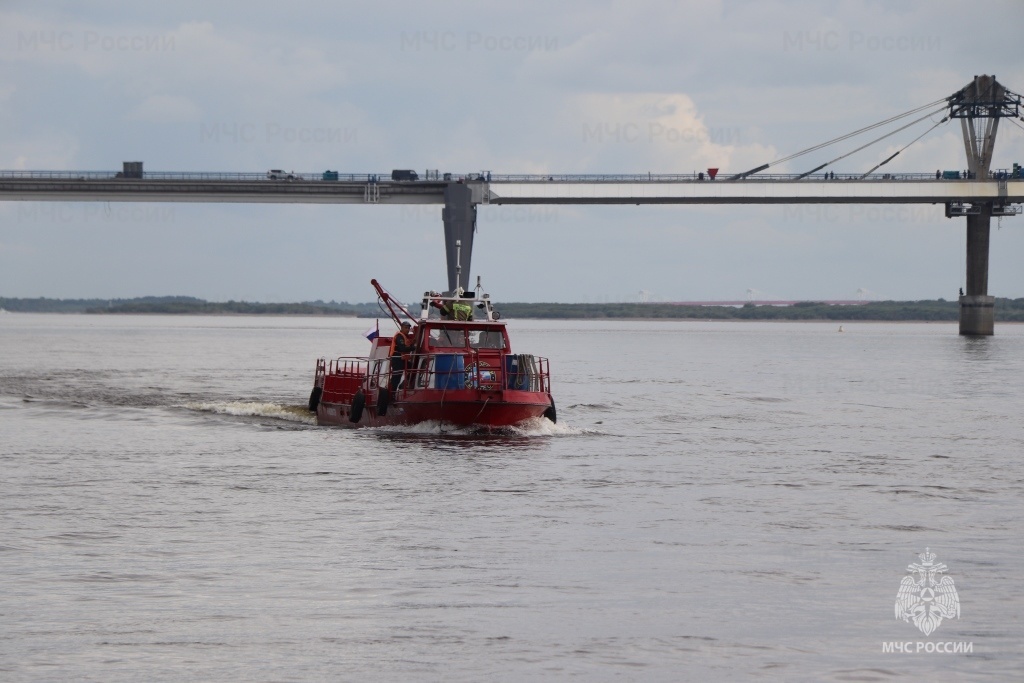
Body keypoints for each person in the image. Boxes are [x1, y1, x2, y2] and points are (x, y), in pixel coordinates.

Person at [389, 321, 416, 391]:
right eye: (405, 328)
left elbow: (411, 341)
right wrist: (414, 348)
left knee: (413, 369)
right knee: (396, 377)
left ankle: (405, 383)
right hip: (397, 358)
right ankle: (392, 393)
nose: (407, 329)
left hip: (403, 359)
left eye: (408, 328)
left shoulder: (406, 336)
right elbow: (402, 348)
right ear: (402, 328)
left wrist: (414, 333)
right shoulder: (399, 336)